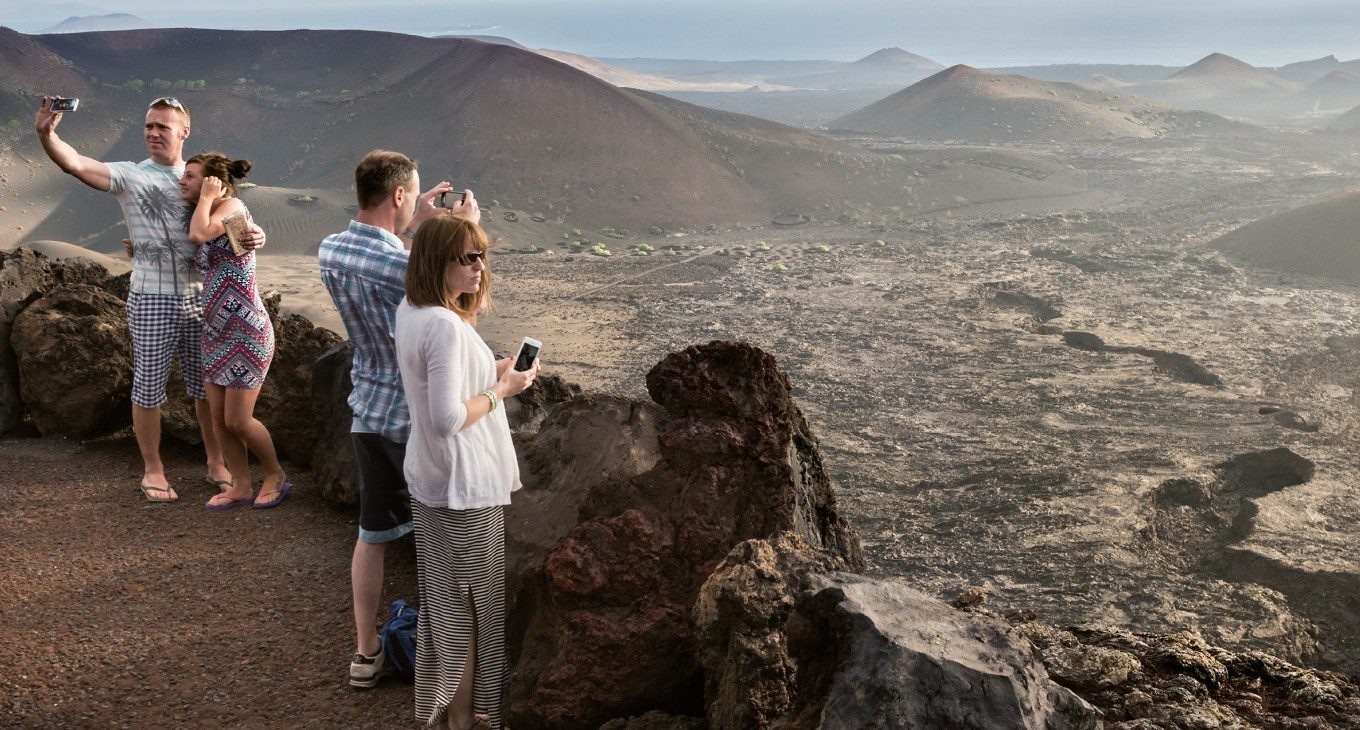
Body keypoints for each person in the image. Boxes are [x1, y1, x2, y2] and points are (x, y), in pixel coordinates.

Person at [34, 96, 266, 502]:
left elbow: (233, 217)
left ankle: (216, 463)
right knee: (148, 386)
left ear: (184, 131)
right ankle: (153, 471)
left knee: (207, 387)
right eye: (148, 126)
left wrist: (258, 235)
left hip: (202, 300)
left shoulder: (198, 179)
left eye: (162, 126)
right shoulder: (130, 175)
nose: (153, 133)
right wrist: (46, 134)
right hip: (150, 296)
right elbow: (75, 163)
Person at [318, 150, 471, 688]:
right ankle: (444, 663)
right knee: (441, 543)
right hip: (417, 420)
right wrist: (454, 236)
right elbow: (456, 311)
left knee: (373, 535)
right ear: (400, 195)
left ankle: (366, 653)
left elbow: (387, 265)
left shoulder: (330, 249)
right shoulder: (404, 266)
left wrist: (415, 227)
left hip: (367, 411)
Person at [396, 216, 537, 730]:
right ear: (439, 263)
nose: (480, 267)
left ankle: (450, 713)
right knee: (475, 611)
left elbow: (440, 382)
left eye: (482, 255)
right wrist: (503, 391)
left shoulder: (412, 310)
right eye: (468, 257)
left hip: (432, 479)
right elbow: (448, 418)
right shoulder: (443, 326)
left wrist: (496, 369)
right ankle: (467, 719)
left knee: (445, 606)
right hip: (464, 487)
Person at [181, 152, 290, 510]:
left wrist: (208, 197)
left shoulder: (231, 207)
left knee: (238, 420)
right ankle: (241, 484)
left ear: (213, 181)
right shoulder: (209, 210)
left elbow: (198, 235)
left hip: (246, 332)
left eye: (191, 175)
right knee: (218, 420)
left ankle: (275, 474)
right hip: (216, 332)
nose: (183, 180)